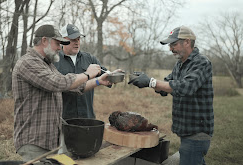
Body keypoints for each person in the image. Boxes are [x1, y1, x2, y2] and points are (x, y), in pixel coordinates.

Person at [12, 24, 111, 162]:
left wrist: (99, 81)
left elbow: (71, 87)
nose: (59, 48)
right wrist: (87, 74)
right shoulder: (28, 63)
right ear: (44, 41)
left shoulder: (47, 64)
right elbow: (58, 83)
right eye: (57, 43)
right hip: (34, 140)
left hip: (49, 140)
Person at [128, 26, 214, 165]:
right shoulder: (180, 64)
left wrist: (151, 82)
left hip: (197, 132)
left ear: (187, 42)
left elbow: (186, 87)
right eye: (170, 45)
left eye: (174, 44)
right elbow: (167, 85)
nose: (170, 48)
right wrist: (145, 80)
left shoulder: (201, 63)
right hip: (187, 131)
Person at [54, 24, 113, 119]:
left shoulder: (89, 59)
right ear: (63, 40)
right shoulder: (54, 60)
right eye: (73, 39)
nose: (77, 42)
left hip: (87, 118)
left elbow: (107, 75)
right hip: (63, 120)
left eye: (78, 39)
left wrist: (115, 75)